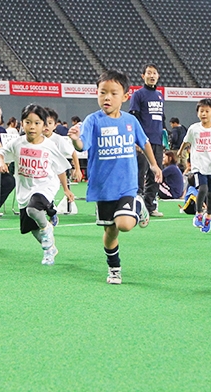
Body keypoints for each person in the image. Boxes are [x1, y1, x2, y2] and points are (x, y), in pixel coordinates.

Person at [68, 70, 162, 285]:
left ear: (126, 96)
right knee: (110, 231)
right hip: (103, 189)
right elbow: (83, 144)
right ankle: (114, 269)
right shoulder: (92, 121)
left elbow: (145, 142)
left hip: (127, 186)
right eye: (103, 93)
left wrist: (155, 166)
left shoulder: (130, 121)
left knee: (125, 224)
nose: (107, 97)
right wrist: (75, 140)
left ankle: (138, 204)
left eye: (113, 93)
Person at [0, 104, 74, 266]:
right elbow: (0, 152)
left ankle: (47, 232)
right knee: (31, 228)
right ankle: (50, 248)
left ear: (44, 125)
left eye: (37, 123)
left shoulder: (49, 146)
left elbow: (60, 169)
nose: (32, 127)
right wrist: (0, 162)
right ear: (21, 123)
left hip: (45, 187)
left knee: (34, 209)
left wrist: (66, 189)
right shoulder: (17, 143)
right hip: (25, 189)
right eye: (28, 122)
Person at [177, 98, 211, 233]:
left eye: (207, 111)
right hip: (199, 166)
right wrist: (180, 152)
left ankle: (208, 217)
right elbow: (186, 141)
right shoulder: (194, 128)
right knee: (203, 188)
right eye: (201, 111)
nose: (204, 114)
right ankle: (199, 214)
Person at [129, 63, 165, 218]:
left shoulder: (159, 95)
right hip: (142, 142)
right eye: (149, 73)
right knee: (139, 173)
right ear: (143, 76)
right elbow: (133, 117)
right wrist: (136, 140)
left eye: (154, 73)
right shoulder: (138, 95)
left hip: (157, 141)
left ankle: (149, 207)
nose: (152, 76)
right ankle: (135, 207)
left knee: (155, 174)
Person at [43, 107, 83, 183]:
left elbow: (73, 152)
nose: (46, 126)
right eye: (44, 123)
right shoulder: (35, 138)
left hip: (54, 176)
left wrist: (77, 169)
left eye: (50, 123)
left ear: (55, 125)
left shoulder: (58, 140)